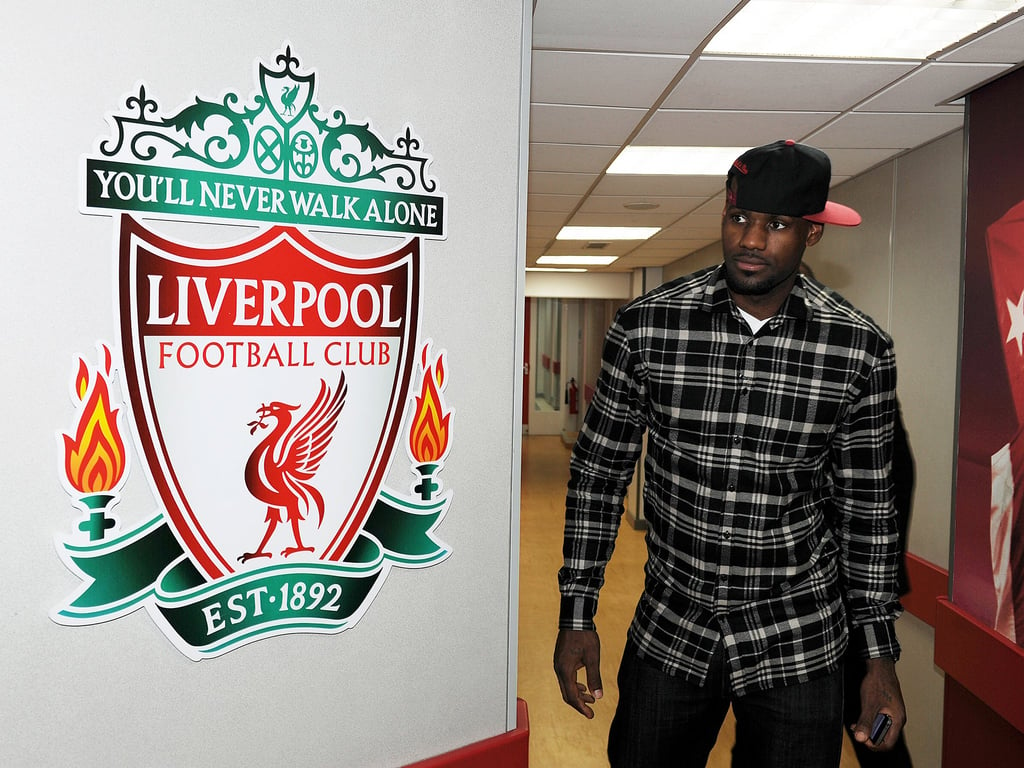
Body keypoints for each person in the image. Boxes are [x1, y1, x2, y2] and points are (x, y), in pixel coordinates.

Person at [553, 140, 907, 768]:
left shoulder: (858, 351)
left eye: (777, 225)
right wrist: (577, 612)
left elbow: (869, 512)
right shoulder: (647, 328)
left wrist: (877, 657)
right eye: (740, 218)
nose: (752, 239)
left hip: (797, 638)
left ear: (811, 234)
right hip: (672, 626)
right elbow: (599, 475)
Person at [799, 262, 916, 767]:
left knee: (875, 731)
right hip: (795, 610)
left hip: (841, 605)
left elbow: (884, 495)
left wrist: (865, 592)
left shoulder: (859, 386)